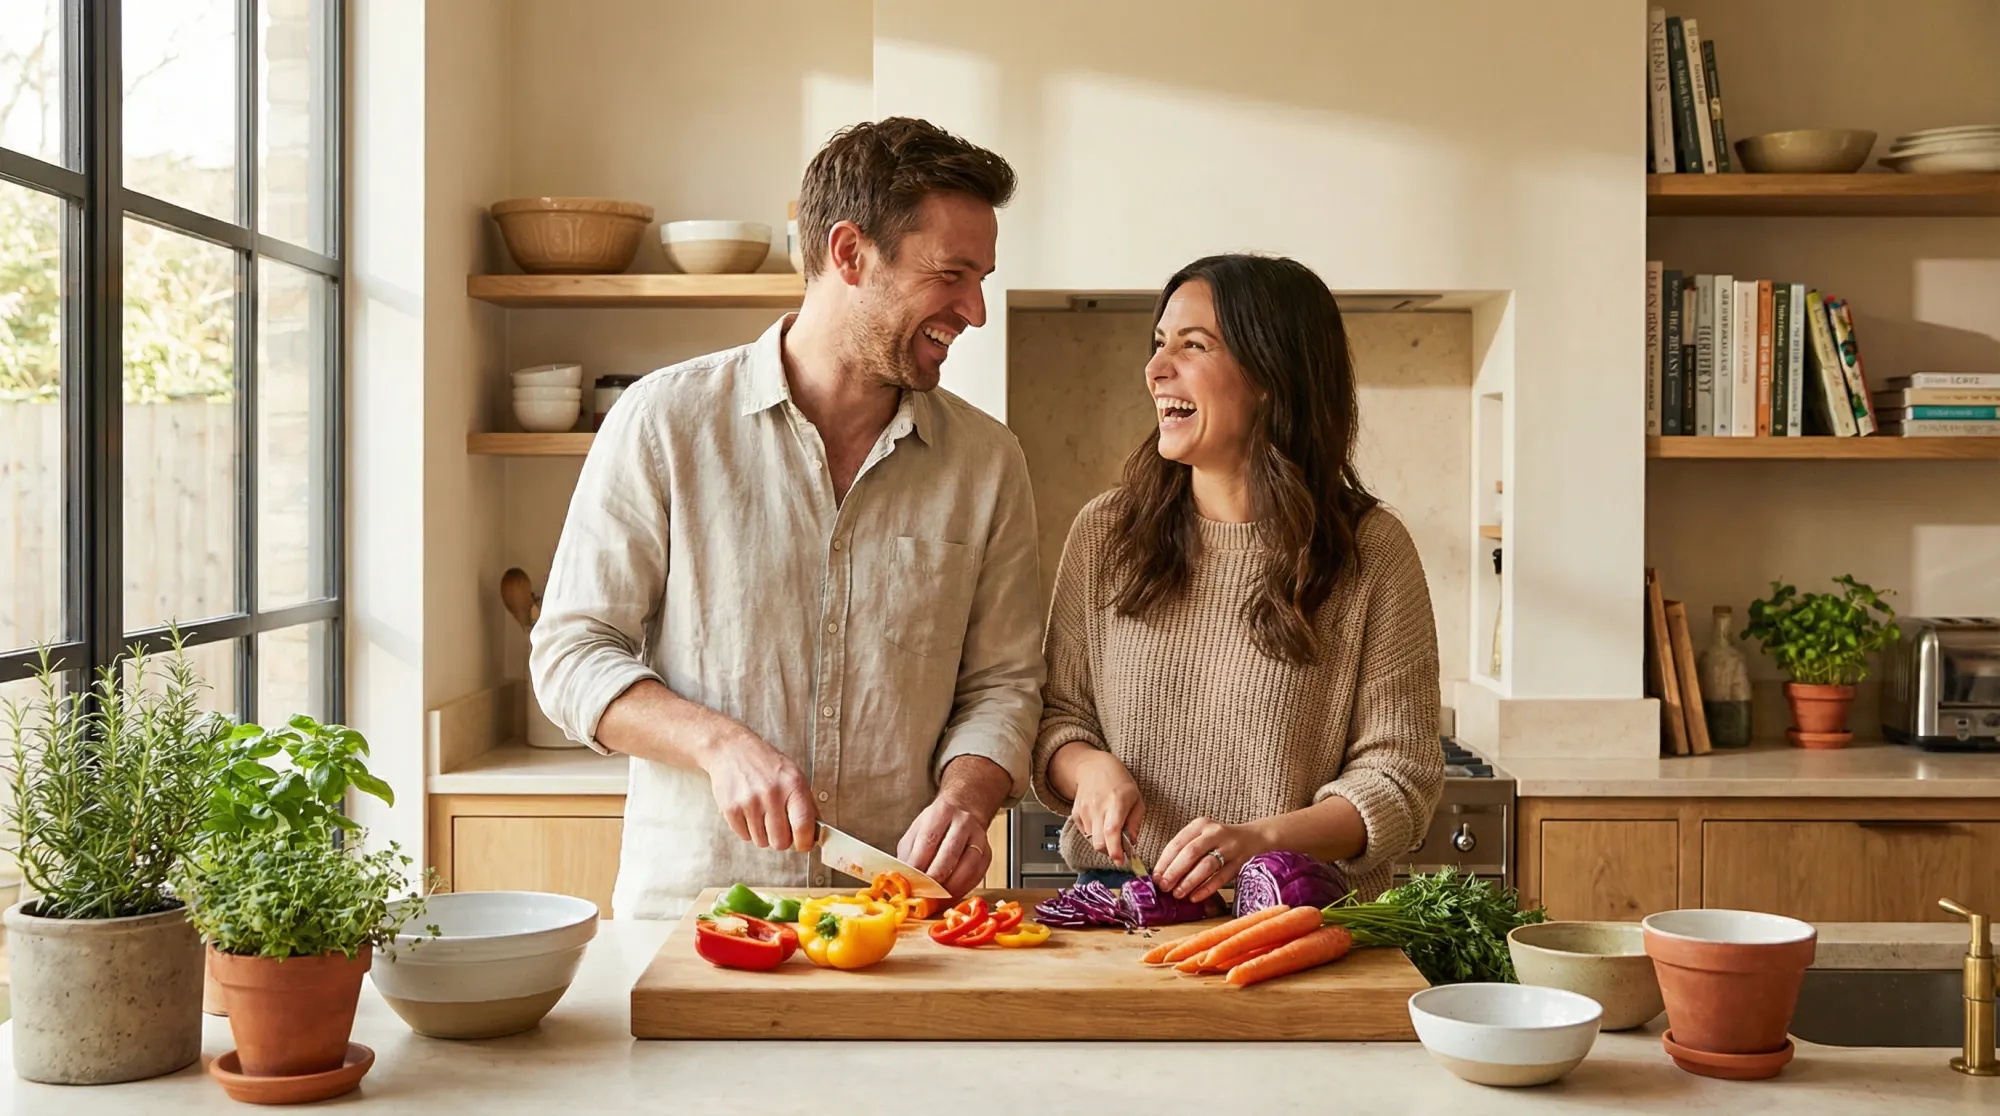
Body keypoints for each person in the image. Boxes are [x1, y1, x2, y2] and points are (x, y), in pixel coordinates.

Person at [531, 118, 1044, 920]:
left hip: (896, 920)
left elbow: (1004, 684)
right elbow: (569, 654)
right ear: (849, 253)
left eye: (981, 278)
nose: (974, 310)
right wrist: (717, 743)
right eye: (951, 274)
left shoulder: (987, 462)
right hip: (698, 916)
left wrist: (969, 796)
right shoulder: (666, 423)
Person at [1031, 253, 1444, 905]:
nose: (1156, 368)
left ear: (1271, 378)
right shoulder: (1104, 533)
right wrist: (1091, 769)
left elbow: (1399, 779)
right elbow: (1060, 718)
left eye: (1193, 346)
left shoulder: (1371, 551)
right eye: (1159, 343)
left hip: (1299, 915)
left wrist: (1260, 842)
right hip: (1122, 902)